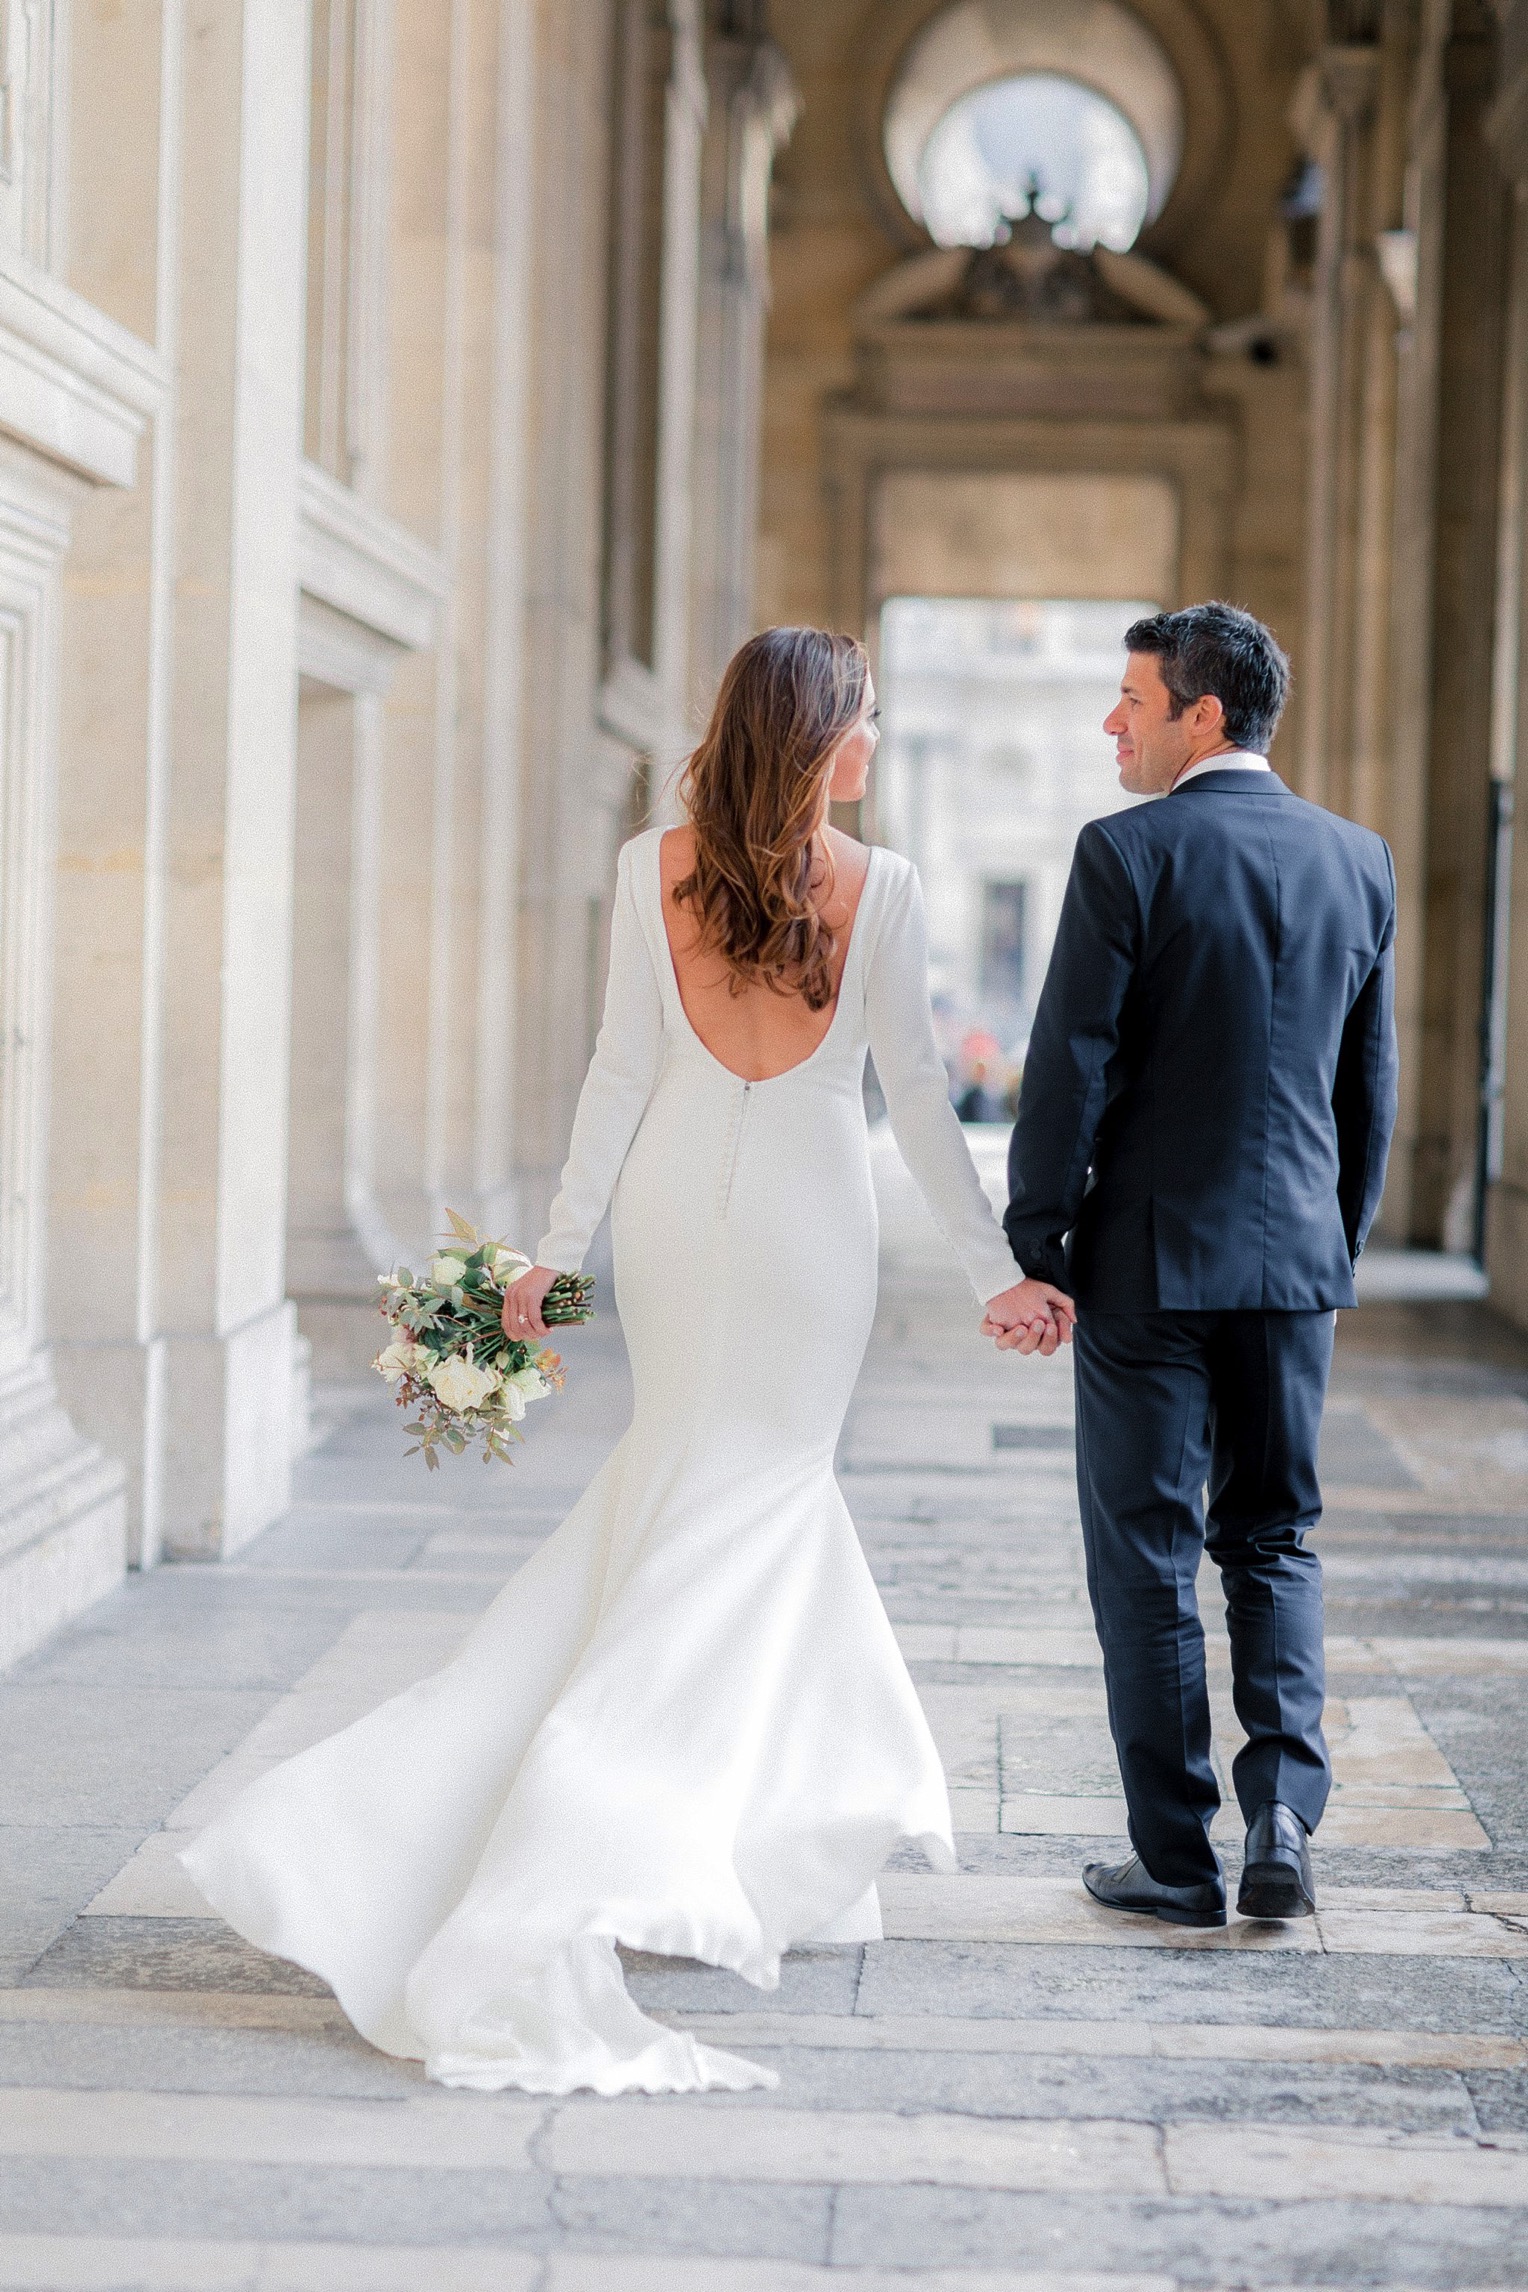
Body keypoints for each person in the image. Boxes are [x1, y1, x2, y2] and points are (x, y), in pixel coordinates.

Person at [182, 626, 1065, 2097]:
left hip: (670, 1217)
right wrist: (996, 1272)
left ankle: (772, 1843)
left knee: (700, 1488)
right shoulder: (884, 886)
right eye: (859, 723)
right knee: (760, 1495)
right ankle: (614, 1830)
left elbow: (621, 1069)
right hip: (807, 1231)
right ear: (815, 735)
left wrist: (561, 1254)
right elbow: (915, 1098)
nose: (872, 744)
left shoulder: (653, 866)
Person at [992, 602, 1398, 1930]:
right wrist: (1332, 1240)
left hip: (1146, 1267)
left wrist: (1040, 1240)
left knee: (1149, 1556)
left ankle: (1178, 1858)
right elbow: (1366, 1093)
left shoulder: (1126, 854)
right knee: (1275, 1538)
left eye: (1131, 698)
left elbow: (1070, 1063)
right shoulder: (1361, 860)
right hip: (1293, 1265)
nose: (1111, 720)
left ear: (1203, 714)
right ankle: (1284, 1812)